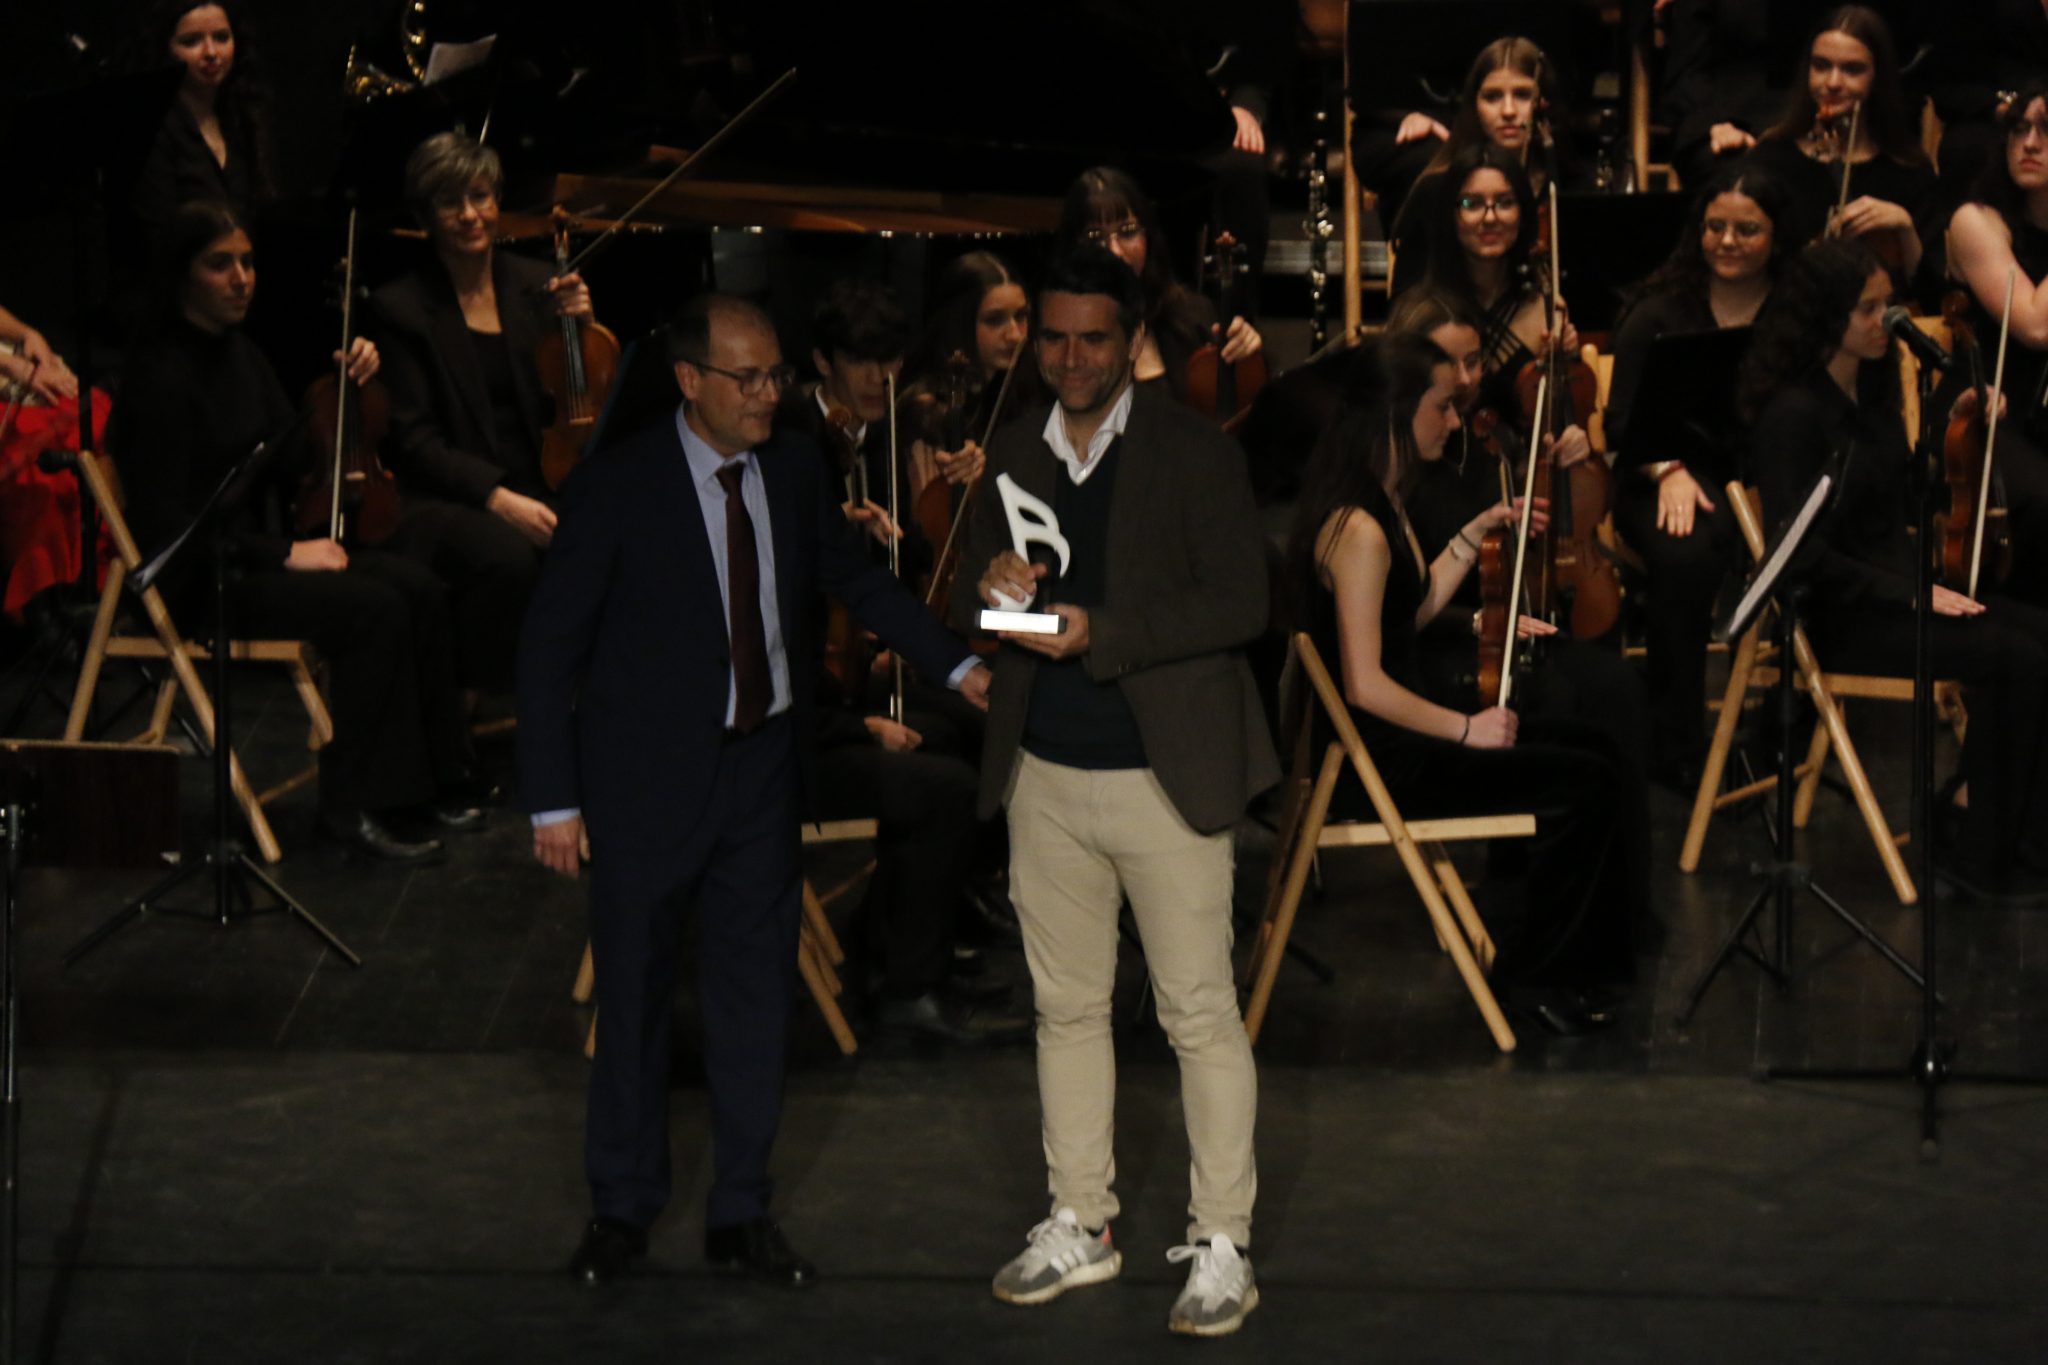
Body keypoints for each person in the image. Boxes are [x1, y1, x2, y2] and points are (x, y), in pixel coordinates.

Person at [517, 292, 992, 1290]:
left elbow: (858, 582)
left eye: (774, 374)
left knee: (754, 1002)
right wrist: (553, 801)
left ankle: (742, 1212)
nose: (768, 393)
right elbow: (550, 646)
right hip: (644, 783)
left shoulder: (792, 468)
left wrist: (955, 666)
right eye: (747, 377)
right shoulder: (616, 485)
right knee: (634, 999)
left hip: (762, 776)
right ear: (690, 380)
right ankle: (620, 1212)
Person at [958, 246, 1273, 1337]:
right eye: (1052, 338)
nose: (1071, 357)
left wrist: (1104, 631)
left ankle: (1223, 1241)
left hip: (1164, 773)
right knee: (1065, 1009)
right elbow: (974, 599)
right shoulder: (1011, 449)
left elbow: (1242, 602)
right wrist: (991, 586)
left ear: (1131, 338)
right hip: (1042, 770)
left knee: (1198, 1012)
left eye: (1093, 337)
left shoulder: (1194, 450)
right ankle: (1081, 1221)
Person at [1286, 332, 1645, 1033]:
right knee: (1583, 785)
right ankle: (1540, 975)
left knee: (1598, 750)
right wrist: (1467, 730)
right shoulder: (1358, 529)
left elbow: (1409, 612)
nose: (1454, 420)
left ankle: (1582, 967)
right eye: (1442, 406)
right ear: (1396, 411)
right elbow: (1364, 684)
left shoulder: (1381, 502)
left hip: (1399, 740)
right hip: (1382, 760)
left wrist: (1475, 531)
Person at [111, 201, 481, 861]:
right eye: (220, 264)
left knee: (419, 587)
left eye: (248, 262)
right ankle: (353, 808)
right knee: (373, 610)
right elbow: (171, 529)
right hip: (202, 579)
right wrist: (285, 551)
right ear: (182, 275)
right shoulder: (159, 377)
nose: (241, 278)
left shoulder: (242, 353)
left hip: (250, 560)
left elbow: (294, 457)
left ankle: (429, 785)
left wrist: (348, 386)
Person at [1748, 237, 2048, 903]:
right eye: (1868, 308)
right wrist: (1910, 594)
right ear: (1826, 316)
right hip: (1844, 613)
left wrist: (1960, 431)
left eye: (1889, 304)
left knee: (2039, 634)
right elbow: (1799, 553)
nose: (1885, 320)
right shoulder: (1792, 414)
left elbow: (1905, 502)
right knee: (2019, 660)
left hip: (1898, 594)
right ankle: (1980, 845)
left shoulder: (1873, 392)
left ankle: (1993, 819)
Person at [1385, 291, 1654, 798]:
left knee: (1619, 686)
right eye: (1448, 365)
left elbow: (1547, 522)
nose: (1465, 380)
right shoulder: (1399, 462)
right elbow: (1392, 609)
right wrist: (1473, 620)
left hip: (1507, 631)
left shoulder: (1490, 434)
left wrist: (1567, 459)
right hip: (1436, 645)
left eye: (1473, 362)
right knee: (1560, 701)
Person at [369, 133, 595, 694]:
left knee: (619, 529)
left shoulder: (535, 287)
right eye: (451, 202)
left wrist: (583, 328)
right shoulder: (401, 308)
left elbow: (575, 400)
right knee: (507, 558)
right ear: (425, 217)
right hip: (445, 496)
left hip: (536, 480)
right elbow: (415, 443)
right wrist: (498, 498)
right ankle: (495, 699)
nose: (470, 215)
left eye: (480, 197)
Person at [1605, 160, 1789, 782]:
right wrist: (1668, 471)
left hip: (1764, 480)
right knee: (1685, 554)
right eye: (1715, 227)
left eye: (1747, 230)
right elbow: (1621, 425)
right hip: (1660, 475)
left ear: (1777, 238)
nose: (1727, 241)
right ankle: (1677, 748)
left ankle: (1777, 737)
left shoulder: (1796, 315)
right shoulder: (1657, 313)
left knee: (1813, 549)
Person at [1398, 145, 1596, 497]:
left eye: (1505, 203)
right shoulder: (1423, 312)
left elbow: (1559, 427)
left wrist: (1573, 436)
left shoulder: (1547, 307)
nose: (1490, 218)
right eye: (1471, 204)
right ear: (1450, 215)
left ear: (1522, 214)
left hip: (1526, 490)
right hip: (1440, 486)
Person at [1744, 6, 1936, 292]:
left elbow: (1931, 293)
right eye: (1821, 66)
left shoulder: (1909, 171)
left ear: (1878, 77)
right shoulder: (1770, 158)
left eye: (1852, 70)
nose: (1833, 83)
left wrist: (1905, 228)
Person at [1944, 82, 2048, 607]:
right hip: (1987, 410)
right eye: (2019, 129)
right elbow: (2034, 325)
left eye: (2047, 130)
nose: (2029, 143)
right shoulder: (1976, 221)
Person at [1384, 36, 1590, 282]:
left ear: (1544, 103)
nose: (1508, 111)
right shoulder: (1438, 189)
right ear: (1475, 104)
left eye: (1523, 95)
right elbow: (1410, 293)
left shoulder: (1571, 187)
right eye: (1492, 97)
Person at [1055, 167, 1262, 409]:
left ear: (1147, 237)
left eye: (1127, 232)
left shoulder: (1193, 314)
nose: (1115, 251)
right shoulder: (1056, 340)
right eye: (1095, 236)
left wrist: (1248, 355)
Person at [132, 1, 272, 233]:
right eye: (191, 41)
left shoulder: (241, 117)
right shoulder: (154, 129)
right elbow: (157, 233)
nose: (211, 52)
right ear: (166, 49)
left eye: (221, 38)